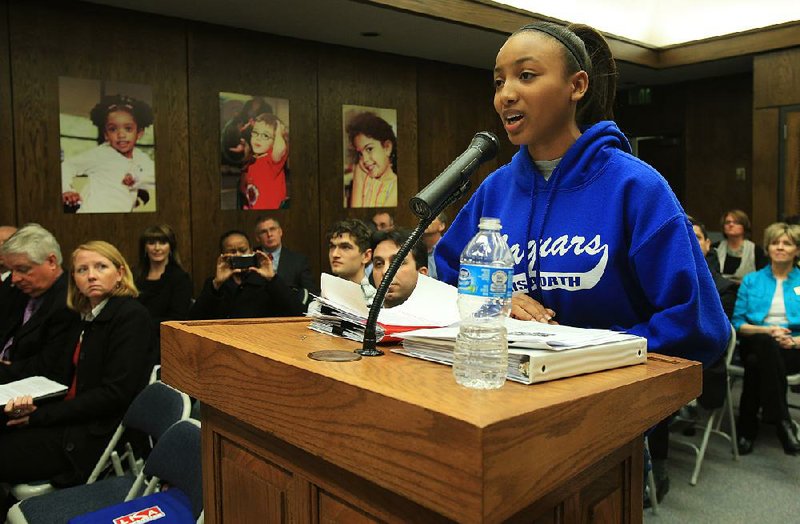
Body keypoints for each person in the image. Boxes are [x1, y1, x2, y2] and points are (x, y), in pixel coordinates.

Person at [436, 22, 729, 365]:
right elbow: (449, 281)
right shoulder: (495, 190)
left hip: (610, 398)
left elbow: (698, 324)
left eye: (526, 75)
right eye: (499, 81)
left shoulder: (635, 187)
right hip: (505, 390)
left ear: (576, 86)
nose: (506, 94)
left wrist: (587, 351)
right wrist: (499, 299)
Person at [0, 241, 153, 491]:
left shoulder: (130, 316)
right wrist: (33, 406)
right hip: (70, 418)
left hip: (92, 435)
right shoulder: (85, 316)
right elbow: (63, 378)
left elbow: (114, 395)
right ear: (74, 279)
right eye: (82, 270)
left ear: (120, 273)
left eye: (101, 267)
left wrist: (39, 416)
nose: (91, 275)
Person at [732, 222, 800, 455]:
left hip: (792, 348)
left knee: (756, 364)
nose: (780, 247)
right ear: (768, 248)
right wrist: (768, 330)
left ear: (797, 250)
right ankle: (782, 421)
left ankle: (747, 430)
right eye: (775, 242)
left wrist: (794, 341)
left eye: (787, 243)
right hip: (756, 339)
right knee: (764, 345)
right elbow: (738, 324)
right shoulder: (751, 281)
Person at [0, 224, 78, 376]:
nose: (15, 278)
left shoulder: (69, 301)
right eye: (11, 270)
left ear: (51, 262)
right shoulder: (15, 289)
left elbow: (47, 366)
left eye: (23, 269)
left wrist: (5, 369)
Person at [61, 94, 155, 214]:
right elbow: (67, 165)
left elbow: (154, 175)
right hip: (92, 213)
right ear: (106, 134)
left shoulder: (141, 158)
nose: (121, 135)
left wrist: (136, 180)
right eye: (113, 129)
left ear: (139, 133)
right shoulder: (101, 154)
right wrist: (67, 190)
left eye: (128, 128)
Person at [189, 230, 305, 320]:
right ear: (223, 255)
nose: (238, 255)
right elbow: (193, 319)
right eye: (232, 251)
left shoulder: (266, 282)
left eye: (243, 250)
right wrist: (216, 284)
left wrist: (272, 278)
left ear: (251, 251)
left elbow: (297, 313)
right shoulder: (216, 284)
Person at [134, 224, 193, 358]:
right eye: (151, 243)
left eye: (162, 242)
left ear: (171, 246)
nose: (157, 248)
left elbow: (177, 318)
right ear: (144, 247)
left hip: (165, 343)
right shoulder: (133, 276)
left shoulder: (180, 278)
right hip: (134, 339)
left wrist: (141, 325)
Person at [253, 217, 317, 300]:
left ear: (280, 232)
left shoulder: (298, 261)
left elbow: (311, 293)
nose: (269, 234)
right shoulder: (251, 257)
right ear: (257, 237)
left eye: (272, 229)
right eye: (263, 232)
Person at [347, 112, 398, 208]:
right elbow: (355, 210)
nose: (365, 159)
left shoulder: (395, 185)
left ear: (387, 147)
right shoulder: (361, 171)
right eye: (360, 153)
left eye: (369, 149)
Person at [239, 113, 289, 210]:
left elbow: (280, 149)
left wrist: (279, 132)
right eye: (255, 133)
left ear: (274, 142)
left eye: (265, 136)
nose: (258, 138)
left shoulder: (272, 159)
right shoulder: (255, 158)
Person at [690, 217, 737, 319]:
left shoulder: (724, 288)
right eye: (685, 237)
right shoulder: (661, 282)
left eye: (697, 237)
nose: (691, 241)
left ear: (707, 244)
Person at [371, 229, 428, 308]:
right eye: (379, 264)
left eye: (397, 263)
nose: (385, 271)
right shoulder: (362, 315)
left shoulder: (441, 317)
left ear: (422, 273)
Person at [326, 219, 375, 304]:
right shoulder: (321, 301)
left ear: (366, 256)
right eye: (332, 246)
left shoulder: (377, 303)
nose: (335, 254)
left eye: (345, 247)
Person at [715, 209, 768, 282]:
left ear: (744, 226)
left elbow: (763, 277)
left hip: (747, 290)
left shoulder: (756, 250)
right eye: (727, 222)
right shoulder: (715, 248)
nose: (731, 225)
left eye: (736, 222)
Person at [423, 212, 447, 280]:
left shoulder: (447, 248)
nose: (425, 221)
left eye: (431, 219)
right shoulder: (415, 248)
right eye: (423, 219)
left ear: (441, 226)